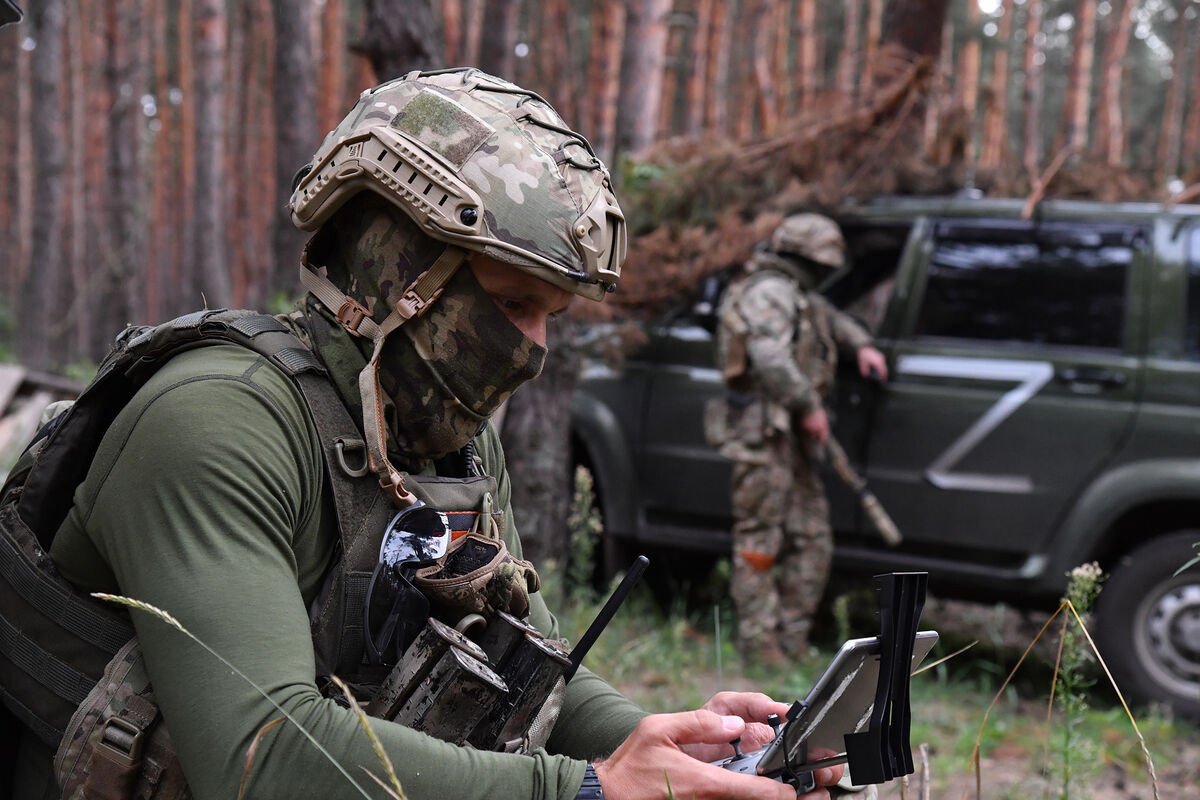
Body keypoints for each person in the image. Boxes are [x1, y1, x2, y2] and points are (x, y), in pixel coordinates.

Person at [6, 70, 843, 800]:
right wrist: (587, 788)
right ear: (397, 273)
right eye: (512, 304)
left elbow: (526, 657)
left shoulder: (449, 443)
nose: (534, 351)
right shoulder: (218, 419)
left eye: (551, 316)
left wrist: (671, 748)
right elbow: (260, 756)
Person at [711, 213, 889, 664]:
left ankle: (792, 640)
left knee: (812, 539)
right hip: (764, 435)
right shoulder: (769, 292)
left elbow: (827, 316)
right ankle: (759, 644)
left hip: (791, 442)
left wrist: (861, 344)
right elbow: (768, 355)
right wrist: (809, 405)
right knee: (760, 538)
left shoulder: (796, 293)